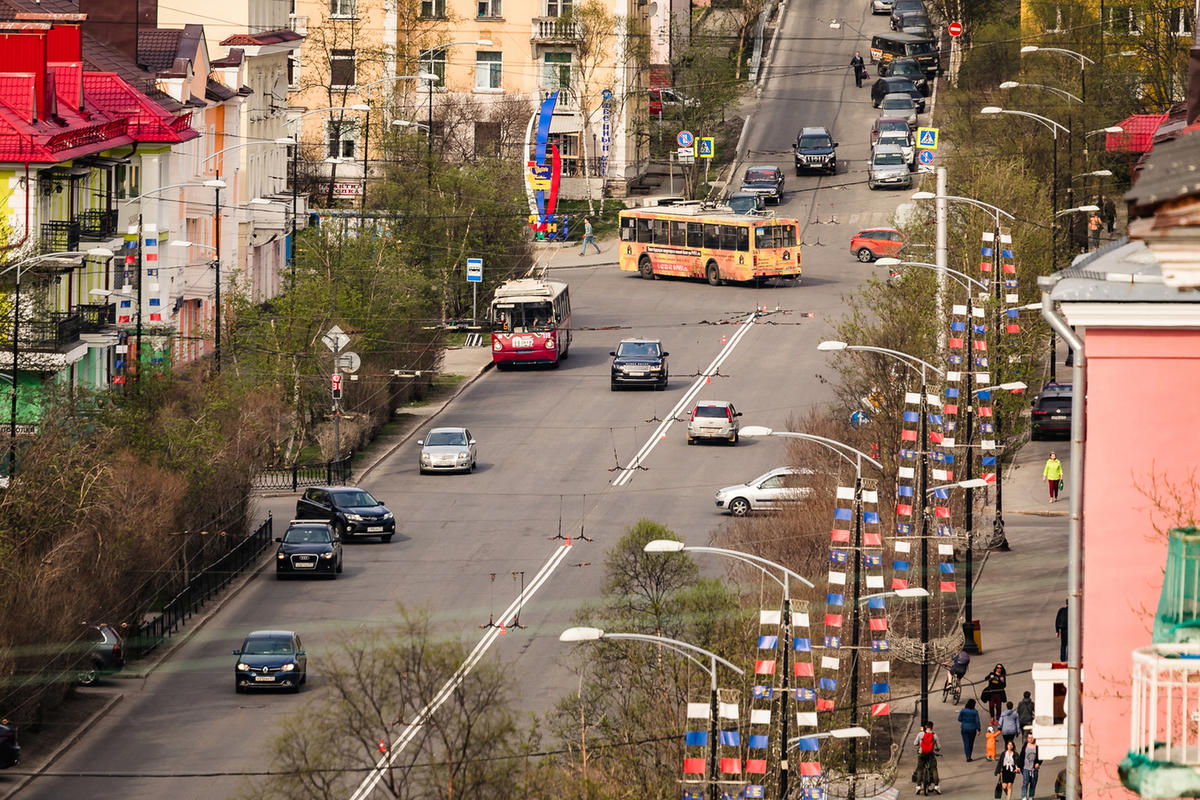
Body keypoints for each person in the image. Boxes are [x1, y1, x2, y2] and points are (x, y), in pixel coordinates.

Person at [912, 720, 941, 795]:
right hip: (930, 754)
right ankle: (936, 786)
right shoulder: (934, 735)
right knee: (934, 769)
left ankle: (918, 786)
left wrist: (920, 744)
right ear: (932, 727)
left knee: (920, 769)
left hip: (922, 753)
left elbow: (915, 743)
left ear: (925, 727)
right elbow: (939, 747)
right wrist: (936, 749)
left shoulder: (920, 734)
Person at [1019, 733, 1042, 799]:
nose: (1030, 739)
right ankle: (1024, 796)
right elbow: (1021, 756)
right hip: (1025, 768)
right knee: (1025, 783)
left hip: (1034, 769)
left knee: (1033, 783)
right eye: (1029, 738)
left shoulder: (1037, 746)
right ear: (1027, 738)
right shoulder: (1025, 746)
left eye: (1032, 737)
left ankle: (1031, 796)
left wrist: (1038, 763)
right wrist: (1019, 767)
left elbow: (1041, 756)